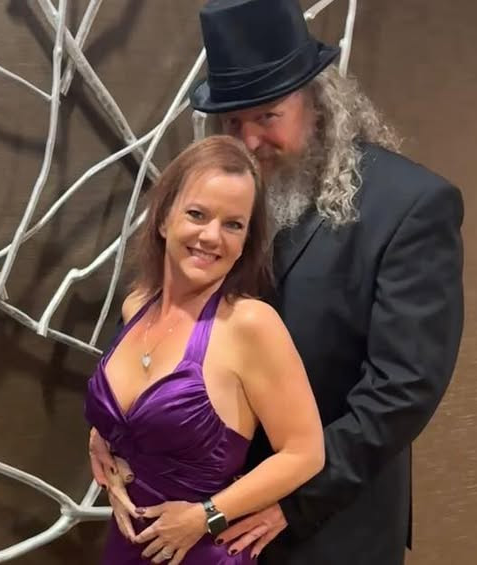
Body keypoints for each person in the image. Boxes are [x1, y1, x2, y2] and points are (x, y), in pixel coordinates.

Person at [90, 1, 465, 564]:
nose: (249, 142)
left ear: (318, 101)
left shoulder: (410, 207)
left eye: (267, 116)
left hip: (328, 524)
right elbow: (162, 322)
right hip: (197, 527)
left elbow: (402, 389)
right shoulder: (225, 201)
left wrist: (293, 501)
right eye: (233, 123)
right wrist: (112, 428)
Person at [85, 134, 325, 564]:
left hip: (203, 552)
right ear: (164, 219)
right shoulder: (137, 305)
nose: (212, 236)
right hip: (125, 547)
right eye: (197, 214)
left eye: (233, 224)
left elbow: (305, 453)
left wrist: (206, 517)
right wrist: (102, 437)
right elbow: (134, 411)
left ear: (246, 240)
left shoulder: (250, 325)